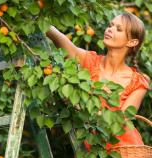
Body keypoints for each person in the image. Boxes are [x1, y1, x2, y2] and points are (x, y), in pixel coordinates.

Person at [46, 12, 150, 150]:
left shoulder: (138, 82)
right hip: (93, 150)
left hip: (126, 151)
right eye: (110, 25)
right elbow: (58, 37)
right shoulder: (89, 61)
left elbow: (119, 123)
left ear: (132, 42)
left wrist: (80, 104)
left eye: (118, 29)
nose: (110, 29)